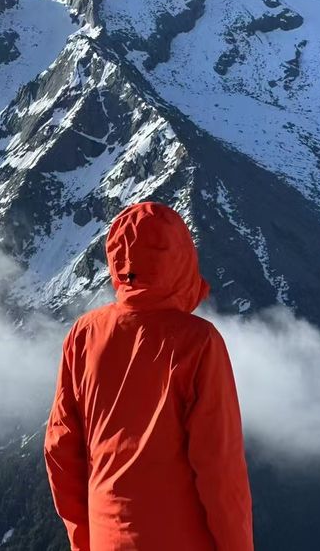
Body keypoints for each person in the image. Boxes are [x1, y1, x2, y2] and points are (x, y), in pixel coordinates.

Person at [44, 200, 254, 550]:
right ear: (182, 261)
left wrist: (86, 540)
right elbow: (220, 470)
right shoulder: (200, 343)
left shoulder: (84, 333)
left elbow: (59, 448)